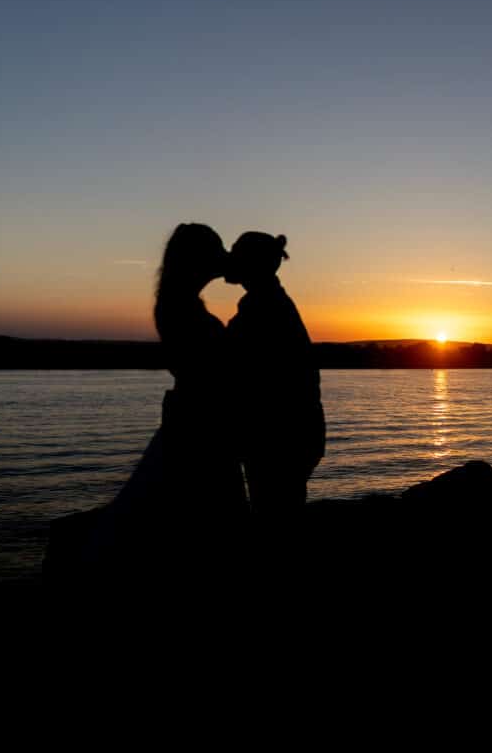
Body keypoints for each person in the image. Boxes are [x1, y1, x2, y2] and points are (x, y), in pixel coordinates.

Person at [87, 223, 246, 575]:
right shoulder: (182, 310)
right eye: (215, 250)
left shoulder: (177, 303)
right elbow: (210, 372)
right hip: (200, 427)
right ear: (197, 259)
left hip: (196, 420)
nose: (222, 256)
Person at [225, 232, 325, 516]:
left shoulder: (264, 307)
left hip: (279, 439)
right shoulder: (266, 302)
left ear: (251, 262)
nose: (229, 258)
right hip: (289, 436)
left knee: (274, 515)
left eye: (235, 252)